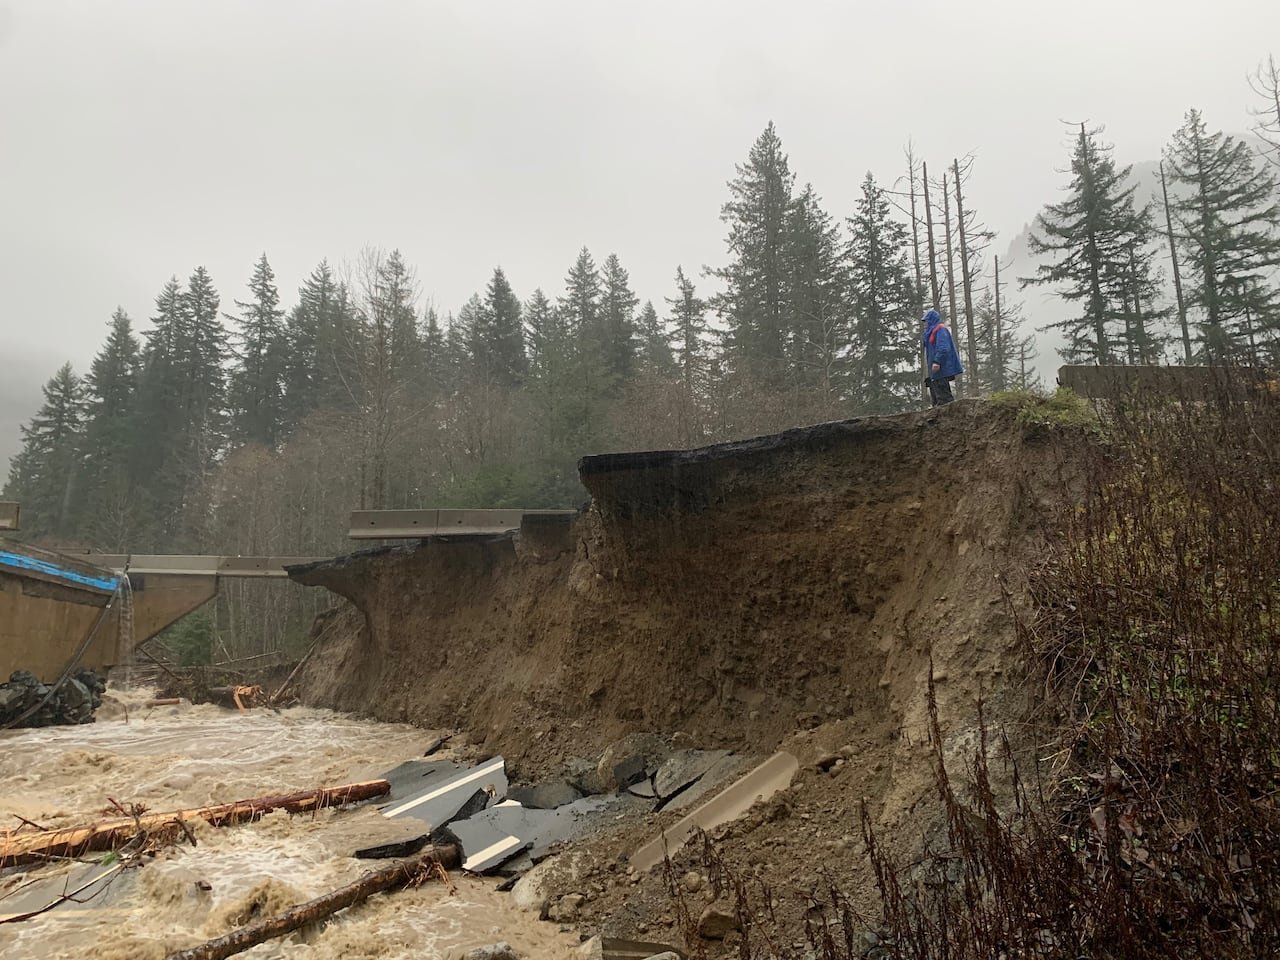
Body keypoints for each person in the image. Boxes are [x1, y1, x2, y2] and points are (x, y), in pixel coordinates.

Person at [922, 309, 963, 406]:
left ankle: (949, 414)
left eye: (927, 321)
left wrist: (937, 361)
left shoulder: (940, 329)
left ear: (931, 320)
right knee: (936, 397)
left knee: (944, 397)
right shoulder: (930, 332)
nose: (925, 324)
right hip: (934, 371)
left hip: (941, 369)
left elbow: (944, 348)